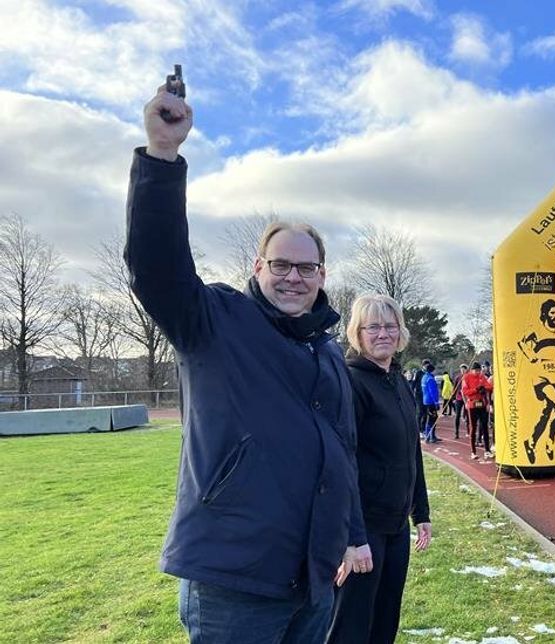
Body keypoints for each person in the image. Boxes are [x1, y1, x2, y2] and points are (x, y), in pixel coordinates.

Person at [127, 84, 363, 642]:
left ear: (322, 276)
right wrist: (162, 157)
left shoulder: (328, 352)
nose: (293, 277)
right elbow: (156, 266)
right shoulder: (214, 320)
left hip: (314, 576)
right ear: (259, 266)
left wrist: (351, 534)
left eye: (307, 269)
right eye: (281, 264)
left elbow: (342, 454)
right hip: (234, 579)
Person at [326, 294, 431, 644]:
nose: (383, 333)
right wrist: (353, 539)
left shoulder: (399, 381)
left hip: (395, 526)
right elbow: (341, 465)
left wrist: (422, 512)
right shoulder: (350, 383)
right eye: (373, 327)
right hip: (363, 529)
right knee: (351, 627)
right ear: (358, 332)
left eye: (390, 326)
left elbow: (411, 451)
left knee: (385, 623)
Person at [462, 362, 493, 460]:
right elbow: (465, 391)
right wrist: (476, 389)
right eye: (476, 371)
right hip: (472, 405)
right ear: (472, 370)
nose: (478, 372)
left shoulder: (482, 377)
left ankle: (487, 450)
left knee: (484, 427)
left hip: (482, 404)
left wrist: (483, 388)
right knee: (473, 428)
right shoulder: (466, 377)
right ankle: (473, 451)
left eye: (479, 370)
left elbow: (489, 386)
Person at [421, 363, 440, 443]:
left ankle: (431, 436)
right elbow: (433, 392)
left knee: (430, 418)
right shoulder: (430, 379)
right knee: (433, 418)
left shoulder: (424, 377)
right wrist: (436, 402)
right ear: (432, 370)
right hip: (431, 401)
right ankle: (430, 437)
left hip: (425, 400)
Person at [451, 364, 468, 440]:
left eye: (464, 369)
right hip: (459, 398)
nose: (462, 370)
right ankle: (456, 432)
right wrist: (453, 398)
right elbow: (454, 388)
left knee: (468, 415)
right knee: (457, 415)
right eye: (461, 369)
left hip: (467, 398)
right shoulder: (458, 377)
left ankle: (468, 431)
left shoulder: (468, 377)